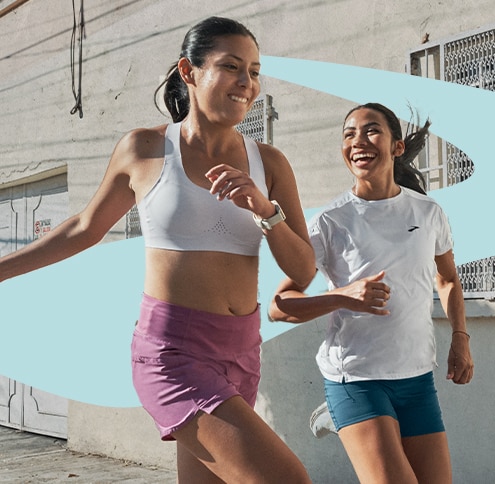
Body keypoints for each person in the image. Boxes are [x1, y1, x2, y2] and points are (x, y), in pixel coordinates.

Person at [0, 17, 315, 483]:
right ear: (189, 72)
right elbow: (84, 228)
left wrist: (265, 211)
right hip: (173, 353)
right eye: (231, 67)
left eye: (253, 70)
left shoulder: (268, 164)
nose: (246, 83)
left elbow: (304, 270)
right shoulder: (146, 149)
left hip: (243, 350)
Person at [269, 103, 474, 484]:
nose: (358, 141)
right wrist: (344, 296)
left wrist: (460, 337)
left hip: (415, 378)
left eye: (371, 131)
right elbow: (279, 306)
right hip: (357, 379)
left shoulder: (428, 213)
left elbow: (446, 280)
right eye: (349, 134)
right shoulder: (331, 222)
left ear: (397, 147)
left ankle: (340, 418)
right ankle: (343, 412)